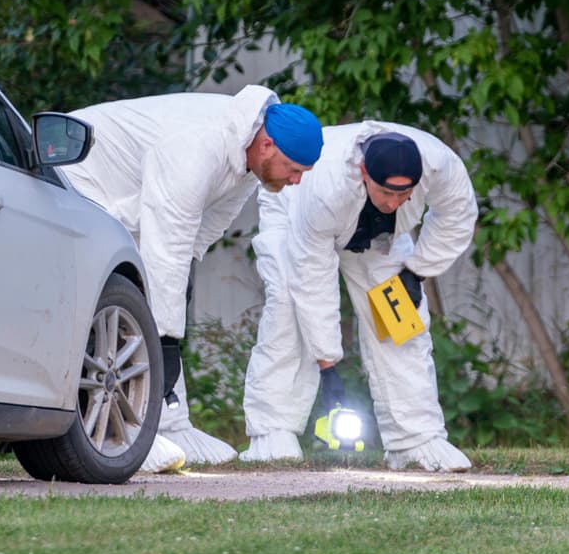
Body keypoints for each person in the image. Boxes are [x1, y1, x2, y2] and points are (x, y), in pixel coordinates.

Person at [61, 85, 323, 472]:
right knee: (125, 302)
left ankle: (172, 425)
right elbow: (167, 249)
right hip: (78, 177)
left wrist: (174, 305)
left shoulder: (247, 164)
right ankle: (127, 432)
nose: (296, 181)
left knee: (164, 297)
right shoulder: (199, 146)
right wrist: (165, 339)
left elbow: (199, 234)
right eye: (294, 169)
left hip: (132, 204)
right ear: (267, 145)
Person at [240, 121, 478, 471]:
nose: (394, 202)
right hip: (294, 211)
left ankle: (415, 440)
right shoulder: (325, 188)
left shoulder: (441, 166)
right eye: (386, 192)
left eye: (404, 195)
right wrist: (328, 367)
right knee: (289, 308)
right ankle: (272, 434)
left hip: (381, 238)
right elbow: (312, 278)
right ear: (365, 172)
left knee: (401, 325)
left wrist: (417, 270)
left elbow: (458, 215)